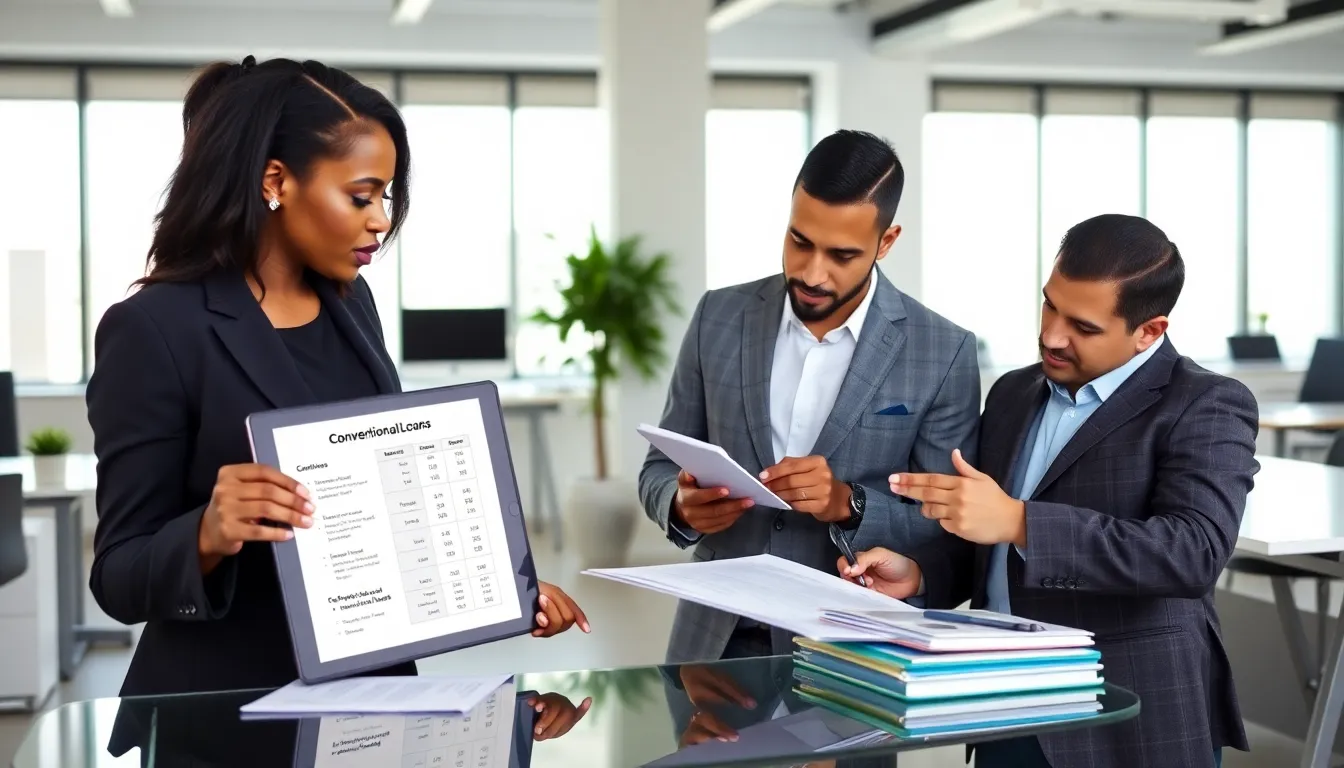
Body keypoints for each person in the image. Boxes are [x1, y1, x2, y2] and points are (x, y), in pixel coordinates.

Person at [85, 55, 588, 698]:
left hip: (372, 700)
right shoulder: (154, 327)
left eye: (384, 196)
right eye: (360, 195)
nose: (380, 218)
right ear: (276, 181)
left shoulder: (353, 304)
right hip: (225, 709)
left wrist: (499, 592)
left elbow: (384, 506)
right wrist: (208, 531)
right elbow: (119, 577)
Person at [839, 214, 1257, 768]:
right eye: (1050, 305)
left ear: (1149, 331)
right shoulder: (1016, 391)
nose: (1053, 335)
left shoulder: (1206, 402)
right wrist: (921, 574)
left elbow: (1191, 552)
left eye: (1083, 327)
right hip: (1003, 703)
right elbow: (994, 547)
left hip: (1130, 716)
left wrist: (1020, 521)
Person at [638, 129, 981, 664]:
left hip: (853, 649)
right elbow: (660, 466)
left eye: (841, 254)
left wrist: (848, 503)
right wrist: (681, 505)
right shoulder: (718, 317)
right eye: (800, 241)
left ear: (886, 242)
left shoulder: (942, 351)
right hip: (711, 642)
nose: (812, 273)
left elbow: (948, 524)